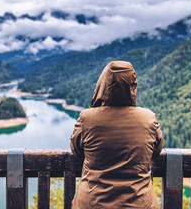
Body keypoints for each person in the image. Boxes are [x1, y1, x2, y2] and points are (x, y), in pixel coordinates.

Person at [70, 61, 163, 209]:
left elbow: (77, 151)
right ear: (132, 86)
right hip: (139, 203)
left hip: (93, 203)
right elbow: (155, 152)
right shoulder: (148, 118)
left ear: (103, 85)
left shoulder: (87, 118)